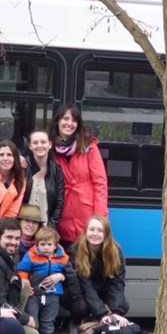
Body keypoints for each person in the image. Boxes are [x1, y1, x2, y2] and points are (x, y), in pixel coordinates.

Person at [50, 105, 108, 247]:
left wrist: (99, 218)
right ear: (57, 121)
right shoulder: (49, 147)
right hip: (62, 215)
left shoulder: (89, 146)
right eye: (66, 119)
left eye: (74, 120)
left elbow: (100, 183)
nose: (69, 124)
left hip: (87, 214)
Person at [17, 226, 82, 334]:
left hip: (53, 294)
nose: (46, 247)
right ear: (37, 245)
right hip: (34, 294)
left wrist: (63, 278)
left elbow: (71, 275)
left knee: (49, 317)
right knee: (33, 315)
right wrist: (26, 284)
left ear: (55, 245)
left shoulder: (63, 258)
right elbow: (22, 270)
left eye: (49, 244)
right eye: (42, 244)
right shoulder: (30, 256)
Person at [69, 215, 130, 326]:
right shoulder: (76, 251)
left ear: (106, 233)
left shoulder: (116, 251)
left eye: (100, 230)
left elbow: (117, 283)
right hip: (81, 293)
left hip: (103, 290)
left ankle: (99, 321)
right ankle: (77, 321)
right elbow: (86, 287)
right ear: (85, 231)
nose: (95, 234)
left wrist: (115, 312)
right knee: (81, 307)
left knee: (123, 305)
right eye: (91, 229)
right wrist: (103, 313)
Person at [22, 129, 64, 230]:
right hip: (23, 230)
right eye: (35, 142)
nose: (39, 145)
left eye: (43, 142)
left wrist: (50, 229)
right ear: (30, 146)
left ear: (50, 144)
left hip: (45, 229)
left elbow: (59, 203)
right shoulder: (22, 167)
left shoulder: (56, 171)